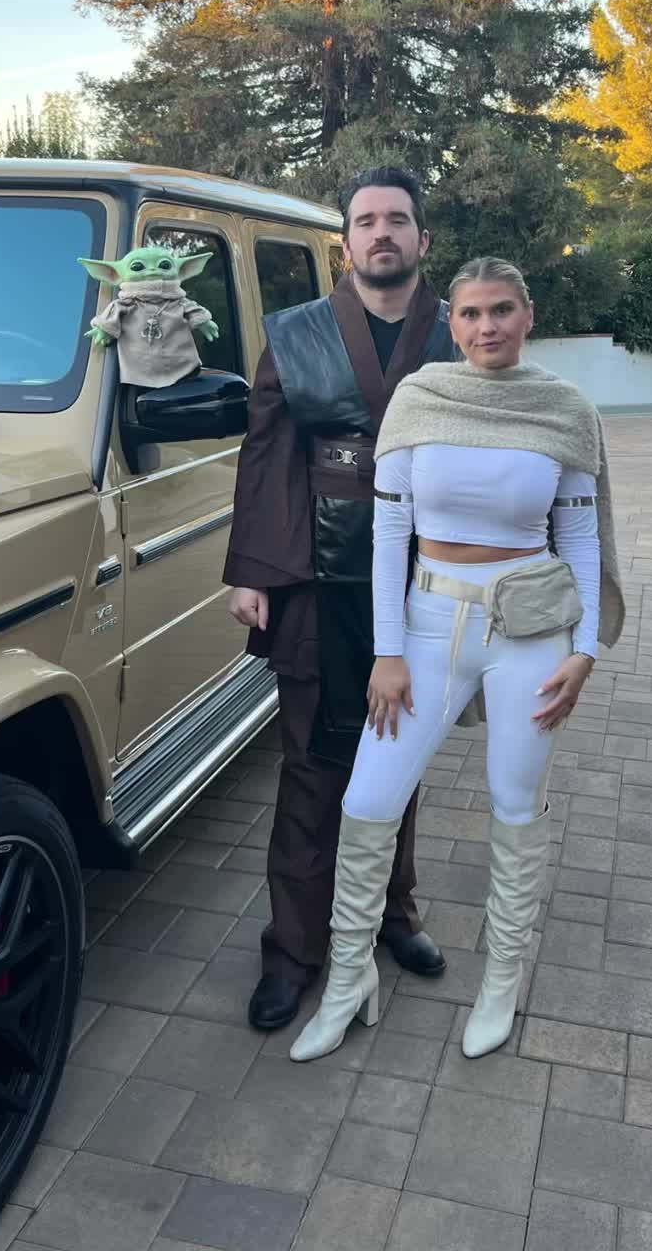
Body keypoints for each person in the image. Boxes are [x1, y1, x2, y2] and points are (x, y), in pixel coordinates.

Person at [289, 256, 625, 1063]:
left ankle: (501, 982)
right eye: (471, 314)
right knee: (369, 800)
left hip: (530, 632)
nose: (487, 327)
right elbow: (387, 535)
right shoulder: (422, 399)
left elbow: (578, 536)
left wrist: (584, 653)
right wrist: (388, 652)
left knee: (514, 807)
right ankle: (348, 981)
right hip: (429, 621)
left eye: (502, 310)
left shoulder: (564, 409)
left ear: (528, 314)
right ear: (454, 322)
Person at [224, 166, 458, 1032]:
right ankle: (293, 951)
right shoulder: (295, 334)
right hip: (322, 583)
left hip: (427, 580)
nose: (383, 233)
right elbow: (266, 456)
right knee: (313, 768)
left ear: (422, 240)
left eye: (399, 220)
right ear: (346, 241)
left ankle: (393, 916)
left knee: (399, 760)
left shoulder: (458, 332)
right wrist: (254, 571)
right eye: (367, 221)